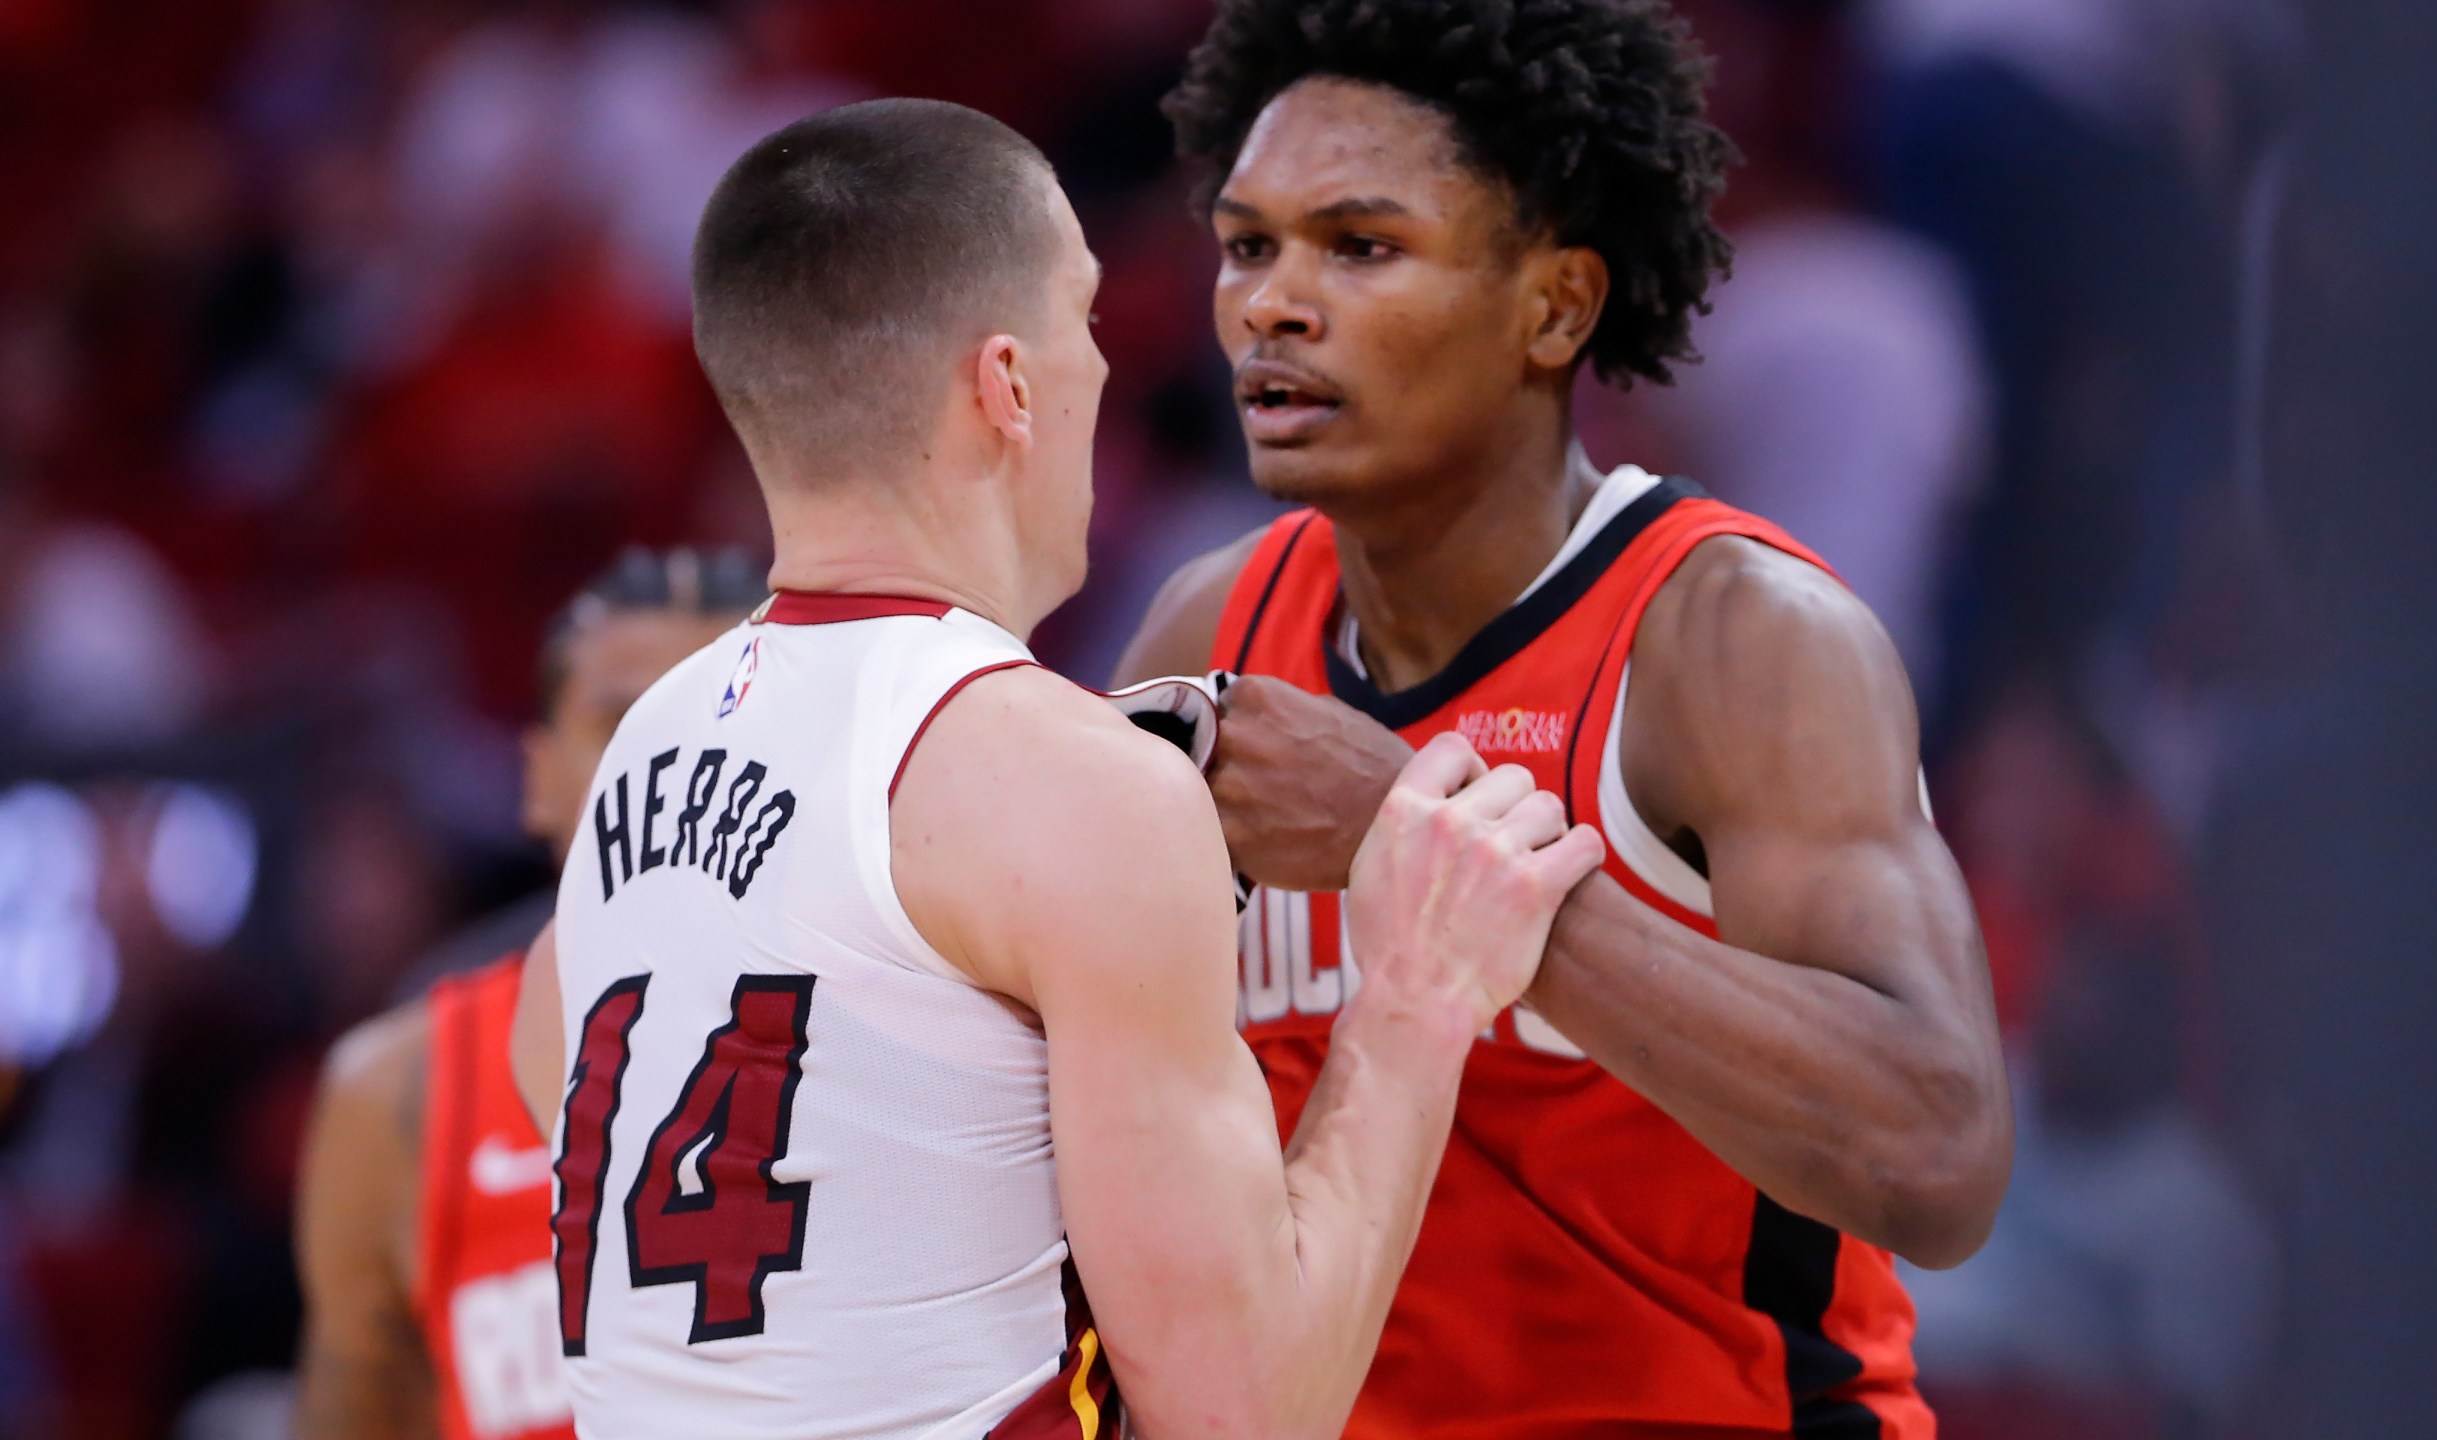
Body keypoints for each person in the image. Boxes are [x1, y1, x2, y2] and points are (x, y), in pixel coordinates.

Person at [511, 99, 1602, 1440]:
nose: (1104, 368)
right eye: (1083, 322)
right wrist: (1420, 997)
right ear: (1010, 385)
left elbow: (587, 1087)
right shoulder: (1068, 785)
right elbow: (1244, 1414)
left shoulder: (639, 753)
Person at [1113, 2, 2015, 1435]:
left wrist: (1425, 850)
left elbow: (1937, 1150)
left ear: (1556, 306)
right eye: (1248, 245)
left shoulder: (1735, 638)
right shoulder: (1203, 632)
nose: (1276, 303)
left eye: (1360, 247)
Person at [294, 548, 765, 1440]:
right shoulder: (398, 1095)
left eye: (729, 712)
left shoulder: (922, 1032)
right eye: (622, 720)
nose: (675, 760)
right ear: (537, 777)